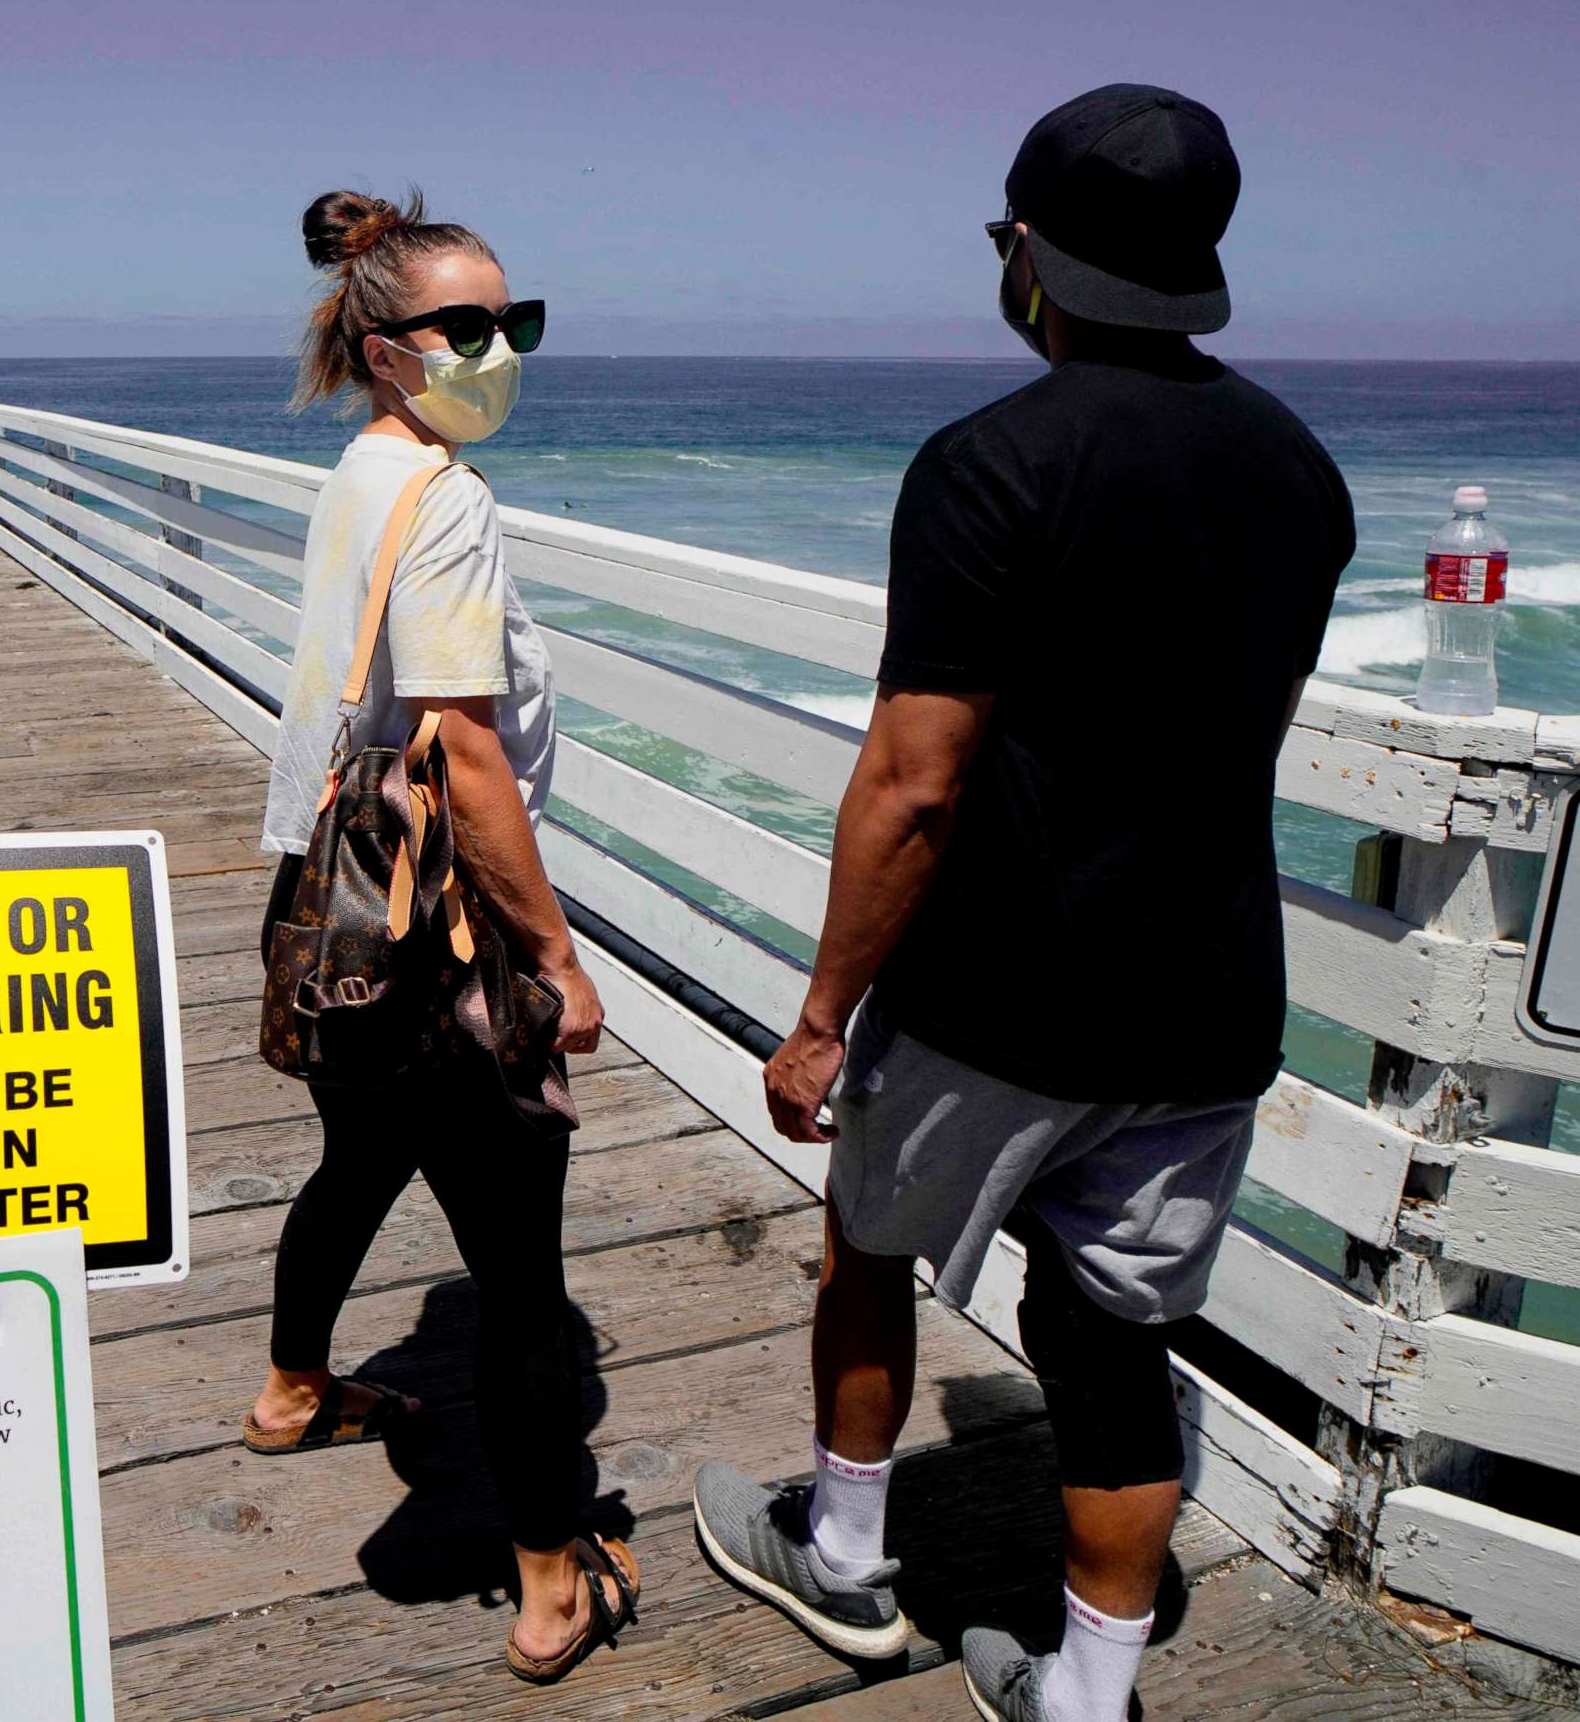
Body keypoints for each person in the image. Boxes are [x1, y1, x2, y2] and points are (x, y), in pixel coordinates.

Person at [690, 86, 1353, 1722]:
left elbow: (915, 781)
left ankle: (842, 1555)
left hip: (1000, 994)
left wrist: (821, 1010)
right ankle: (1083, 1693)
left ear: (1031, 259)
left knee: (867, 1236)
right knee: (1118, 1337)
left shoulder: (988, 464)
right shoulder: (1298, 472)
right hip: (1204, 1001)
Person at [244, 188, 629, 1687]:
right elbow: (465, 757)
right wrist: (555, 955)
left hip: (328, 909)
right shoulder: (451, 502)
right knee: (522, 1282)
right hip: (438, 937)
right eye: (467, 328)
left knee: (359, 1155)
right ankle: (550, 1581)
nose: (499, 349)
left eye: (514, 323)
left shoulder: (366, 469)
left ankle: (291, 1390)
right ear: (387, 346)